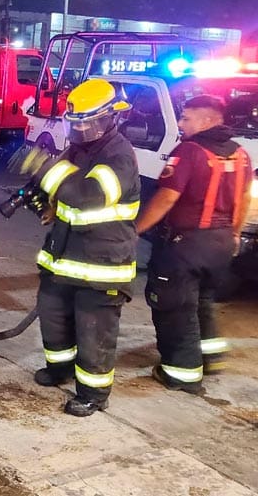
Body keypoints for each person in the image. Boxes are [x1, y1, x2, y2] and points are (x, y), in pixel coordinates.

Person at [30, 78, 141, 417]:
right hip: (63, 259)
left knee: (94, 332)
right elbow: (64, 194)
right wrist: (44, 201)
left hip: (101, 265)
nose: (81, 129)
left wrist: (43, 169)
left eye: (88, 122)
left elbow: (85, 196)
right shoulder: (81, 149)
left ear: (110, 118)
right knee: (54, 317)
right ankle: (60, 368)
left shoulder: (119, 155)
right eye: (76, 123)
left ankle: (93, 393)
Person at [135, 95, 252, 394]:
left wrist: (136, 229)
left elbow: (167, 197)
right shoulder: (241, 154)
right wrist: (235, 236)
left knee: (175, 307)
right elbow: (244, 200)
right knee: (202, 301)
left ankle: (181, 371)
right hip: (222, 242)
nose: (182, 123)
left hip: (186, 246)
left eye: (187, 118)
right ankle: (210, 357)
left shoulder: (188, 152)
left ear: (208, 120)